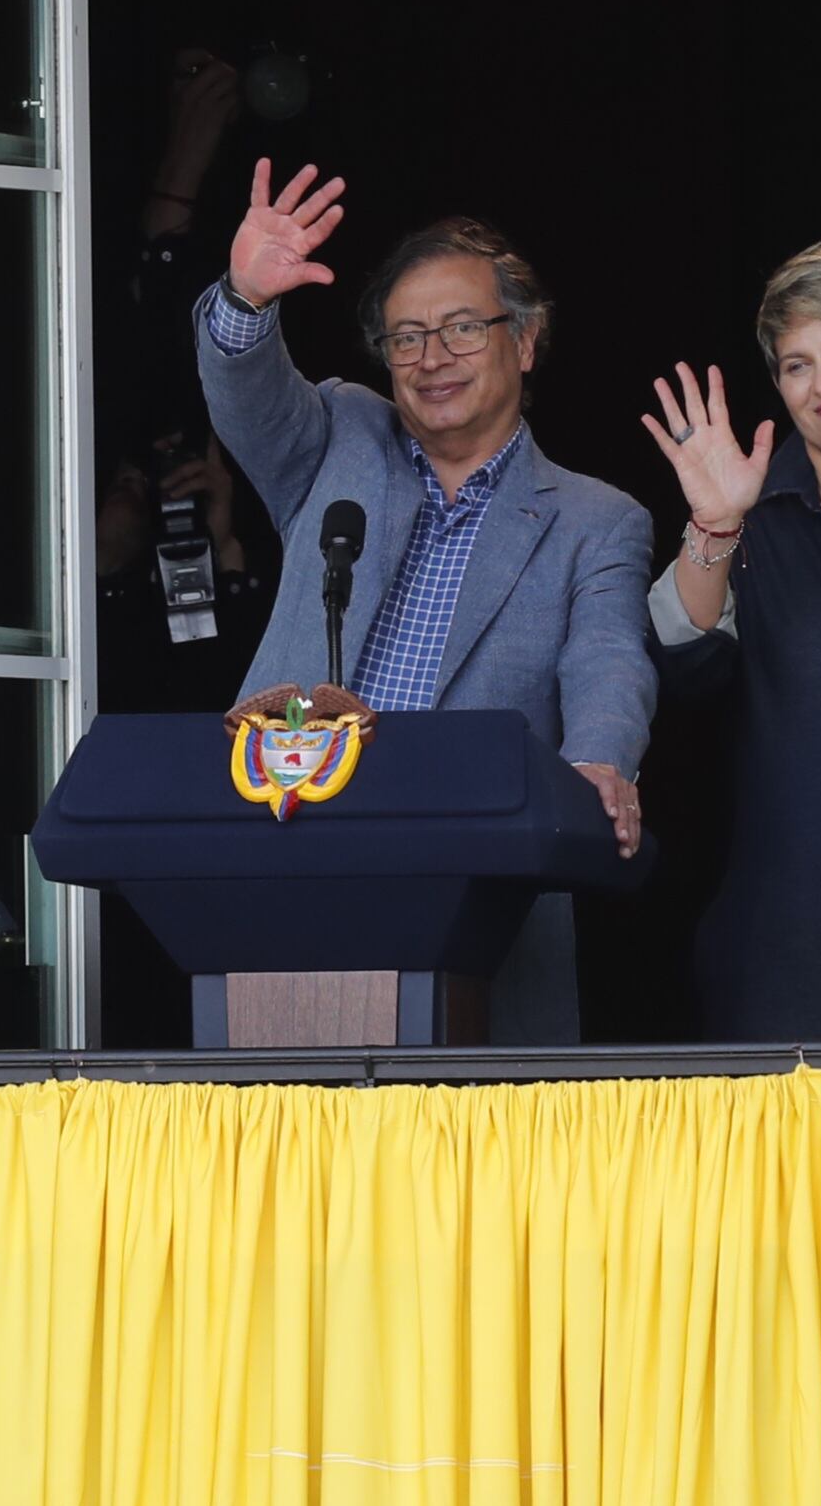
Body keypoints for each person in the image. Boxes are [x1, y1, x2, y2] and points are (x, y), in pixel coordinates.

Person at [198, 160, 655, 1043]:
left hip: (478, 905)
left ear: (525, 342)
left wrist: (600, 762)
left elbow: (609, 658)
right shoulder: (338, 437)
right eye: (405, 337)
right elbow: (248, 401)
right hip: (290, 866)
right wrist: (245, 304)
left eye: (459, 330)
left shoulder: (597, 519)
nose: (430, 359)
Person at [641, 243, 821, 1041]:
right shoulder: (754, 519)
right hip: (777, 958)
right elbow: (683, 669)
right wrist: (716, 525)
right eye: (797, 365)